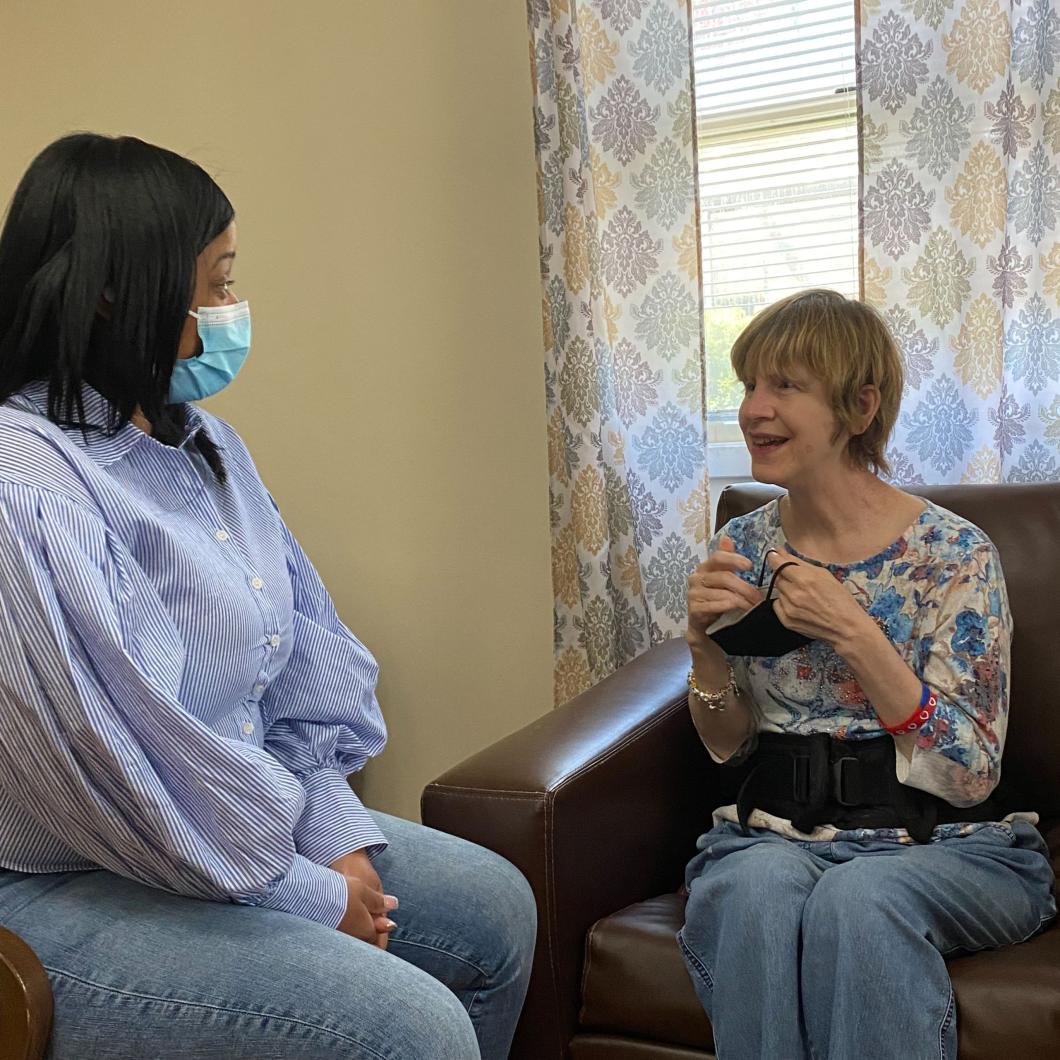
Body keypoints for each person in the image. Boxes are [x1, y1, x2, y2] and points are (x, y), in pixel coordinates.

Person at [0, 133, 535, 1060]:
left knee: (497, 911)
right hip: (69, 870)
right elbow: (120, 768)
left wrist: (336, 834)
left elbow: (293, 672)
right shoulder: (27, 483)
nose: (230, 310)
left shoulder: (209, 446)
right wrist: (310, 892)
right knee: (410, 1032)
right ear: (109, 294)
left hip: (234, 833)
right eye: (212, 285)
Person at [680, 290, 1056, 1060]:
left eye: (785, 385)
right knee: (752, 896)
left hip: (948, 842)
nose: (754, 408)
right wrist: (701, 646)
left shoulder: (955, 554)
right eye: (748, 383)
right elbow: (732, 747)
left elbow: (969, 772)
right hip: (776, 832)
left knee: (858, 900)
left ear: (859, 405)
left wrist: (854, 630)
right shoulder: (743, 544)